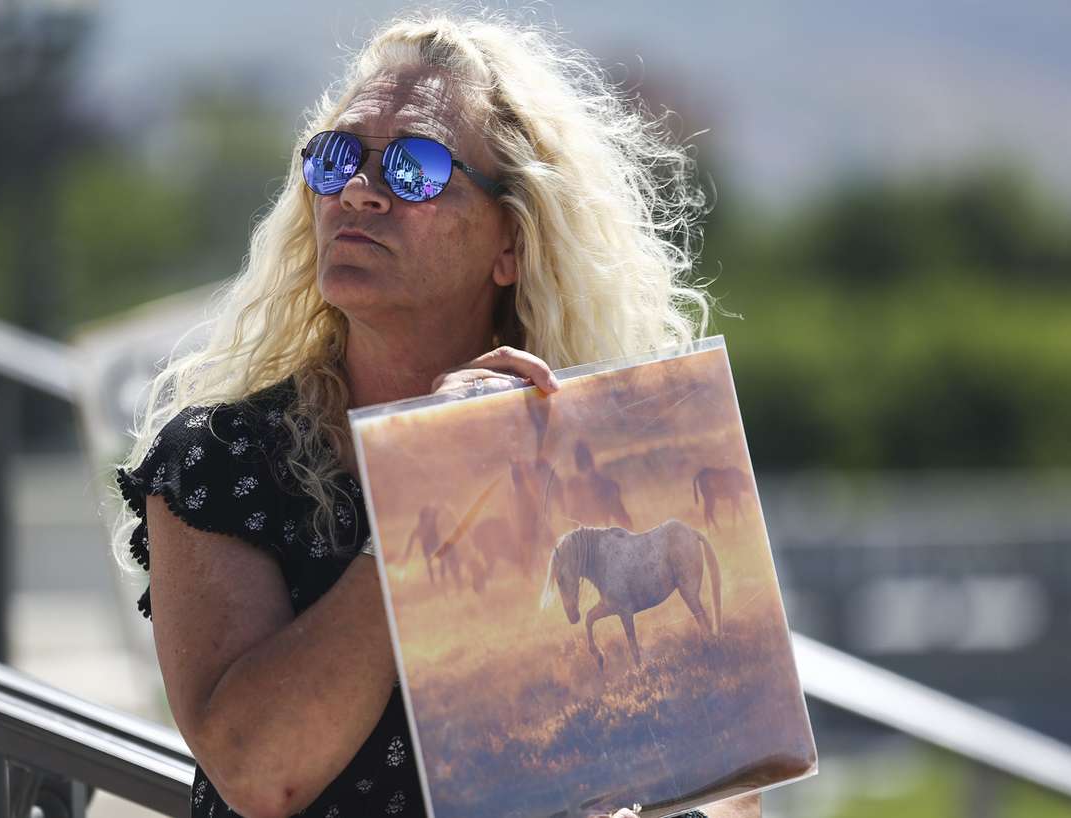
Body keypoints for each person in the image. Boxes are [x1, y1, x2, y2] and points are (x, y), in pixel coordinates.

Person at [111, 10, 761, 818]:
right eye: (339, 157)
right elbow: (262, 769)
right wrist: (433, 476)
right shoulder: (221, 457)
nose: (357, 191)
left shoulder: (600, 444)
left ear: (511, 244)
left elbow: (728, 773)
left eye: (414, 167)